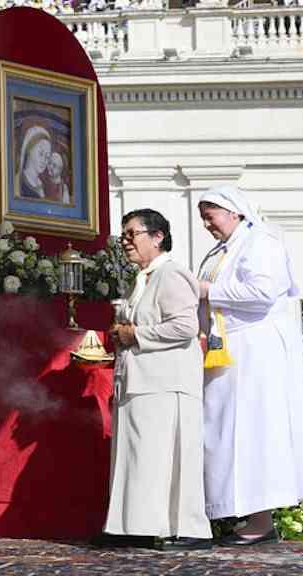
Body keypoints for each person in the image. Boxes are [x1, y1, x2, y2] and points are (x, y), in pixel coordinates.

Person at [197, 185, 303, 545]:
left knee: (254, 435)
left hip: (256, 353)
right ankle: (241, 514)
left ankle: (261, 522)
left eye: (211, 216)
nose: (206, 224)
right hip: (231, 351)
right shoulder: (226, 248)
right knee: (227, 434)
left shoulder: (260, 242)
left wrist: (207, 291)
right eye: (203, 217)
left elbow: (262, 293)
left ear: (234, 212)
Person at [103, 209, 211, 550]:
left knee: (170, 458)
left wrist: (134, 333)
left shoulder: (172, 273)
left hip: (167, 382)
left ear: (157, 236)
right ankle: (136, 526)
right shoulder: (143, 278)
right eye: (123, 236)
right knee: (142, 458)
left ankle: (189, 530)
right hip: (141, 381)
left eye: (131, 234)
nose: (126, 243)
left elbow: (184, 327)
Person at [16, 126, 52, 199]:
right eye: (41, 153)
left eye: (47, 157)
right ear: (29, 150)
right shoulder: (19, 183)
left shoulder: (41, 184)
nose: (44, 161)